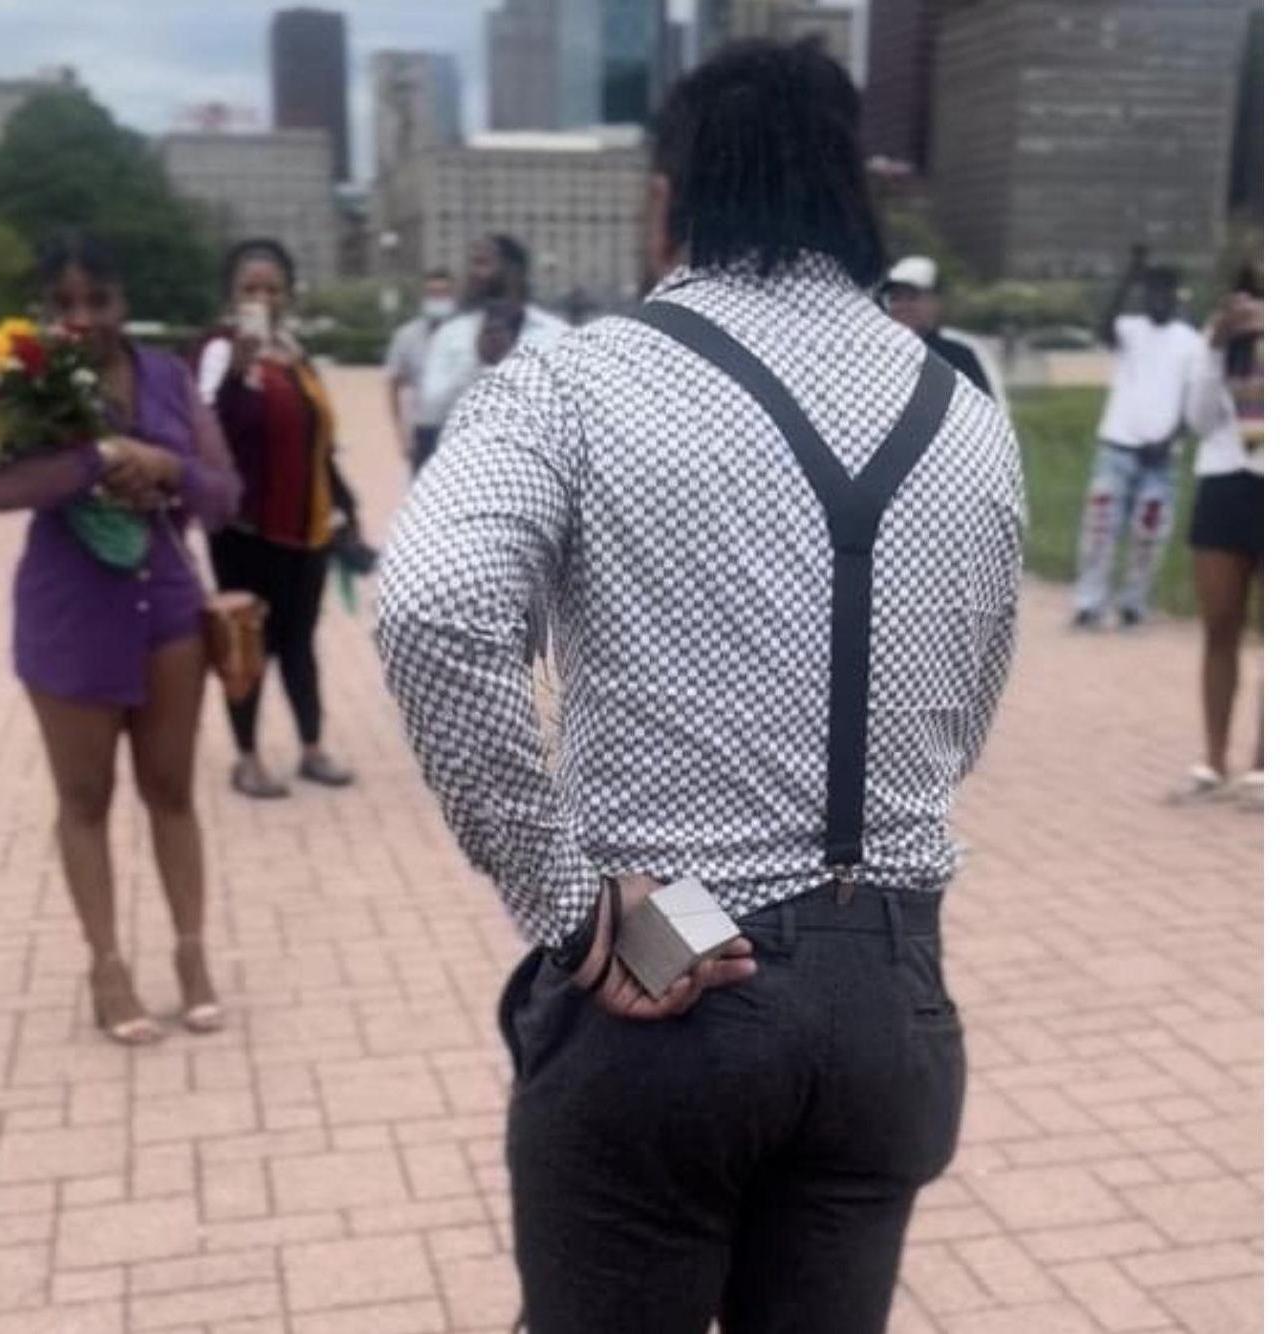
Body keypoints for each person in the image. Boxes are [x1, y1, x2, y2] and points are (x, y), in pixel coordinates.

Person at [377, 38, 1023, 1334]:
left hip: (680, 964)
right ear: (854, 197)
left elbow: (431, 604)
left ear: (669, 197)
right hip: (891, 983)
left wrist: (568, 900)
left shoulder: (574, 378)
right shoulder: (965, 408)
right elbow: (973, 694)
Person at [0, 233, 241, 1043]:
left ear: (126, 300)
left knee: (170, 790)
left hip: (165, 609)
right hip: (69, 617)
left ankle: (191, 954)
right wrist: (95, 460)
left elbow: (224, 492)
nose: (83, 318)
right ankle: (107, 966)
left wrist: (162, 467)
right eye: (65, 304)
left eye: (98, 300)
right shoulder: (22, 381)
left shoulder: (166, 376)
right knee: (84, 798)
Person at [196, 238, 355, 798]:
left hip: (306, 527)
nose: (261, 298)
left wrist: (345, 510)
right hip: (246, 531)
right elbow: (212, 435)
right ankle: (247, 757)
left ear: (287, 295)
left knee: (299, 643)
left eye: (271, 288)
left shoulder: (294, 350)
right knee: (247, 643)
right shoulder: (217, 351)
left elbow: (320, 441)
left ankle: (311, 748)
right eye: (249, 288)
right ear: (232, 295)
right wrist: (240, 374)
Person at [1072, 246, 1203, 629]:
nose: (1157, 300)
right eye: (1151, 293)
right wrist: (1130, 273)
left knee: (1148, 535)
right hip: (1116, 447)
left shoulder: (1189, 341)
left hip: (1160, 458)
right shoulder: (1129, 329)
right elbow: (1103, 327)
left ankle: (1133, 603)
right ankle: (1089, 601)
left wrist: (1169, 440)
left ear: (1175, 296)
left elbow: (1191, 402)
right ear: (1144, 295)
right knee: (1099, 530)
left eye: (1164, 293)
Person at [1173, 267, 1264, 807]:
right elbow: (1200, 419)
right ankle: (1213, 757)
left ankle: (1263, 765)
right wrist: (1214, 350)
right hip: (1225, 479)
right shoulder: (1218, 342)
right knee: (1220, 627)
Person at [416, 234, 569, 460]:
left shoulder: (558, 335)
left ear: (514, 271)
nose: (473, 273)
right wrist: (475, 361)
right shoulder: (451, 335)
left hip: (532, 469)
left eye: (482, 263)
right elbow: (430, 410)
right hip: (464, 466)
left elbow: (570, 411)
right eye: (473, 264)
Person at [881, 255, 1003, 403]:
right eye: (895, 298)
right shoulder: (878, 353)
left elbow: (986, 410)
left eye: (912, 297)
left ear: (935, 302)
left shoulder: (959, 355)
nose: (902, 305)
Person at [385, 267, 457, 474]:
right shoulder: (407, 335)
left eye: (444, 293)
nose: (438, 299)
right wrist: (402, 435)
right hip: (423, 429)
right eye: (433, 294)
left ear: (453, 296)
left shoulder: (467, 334)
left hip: (459, 429)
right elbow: (393, 385)